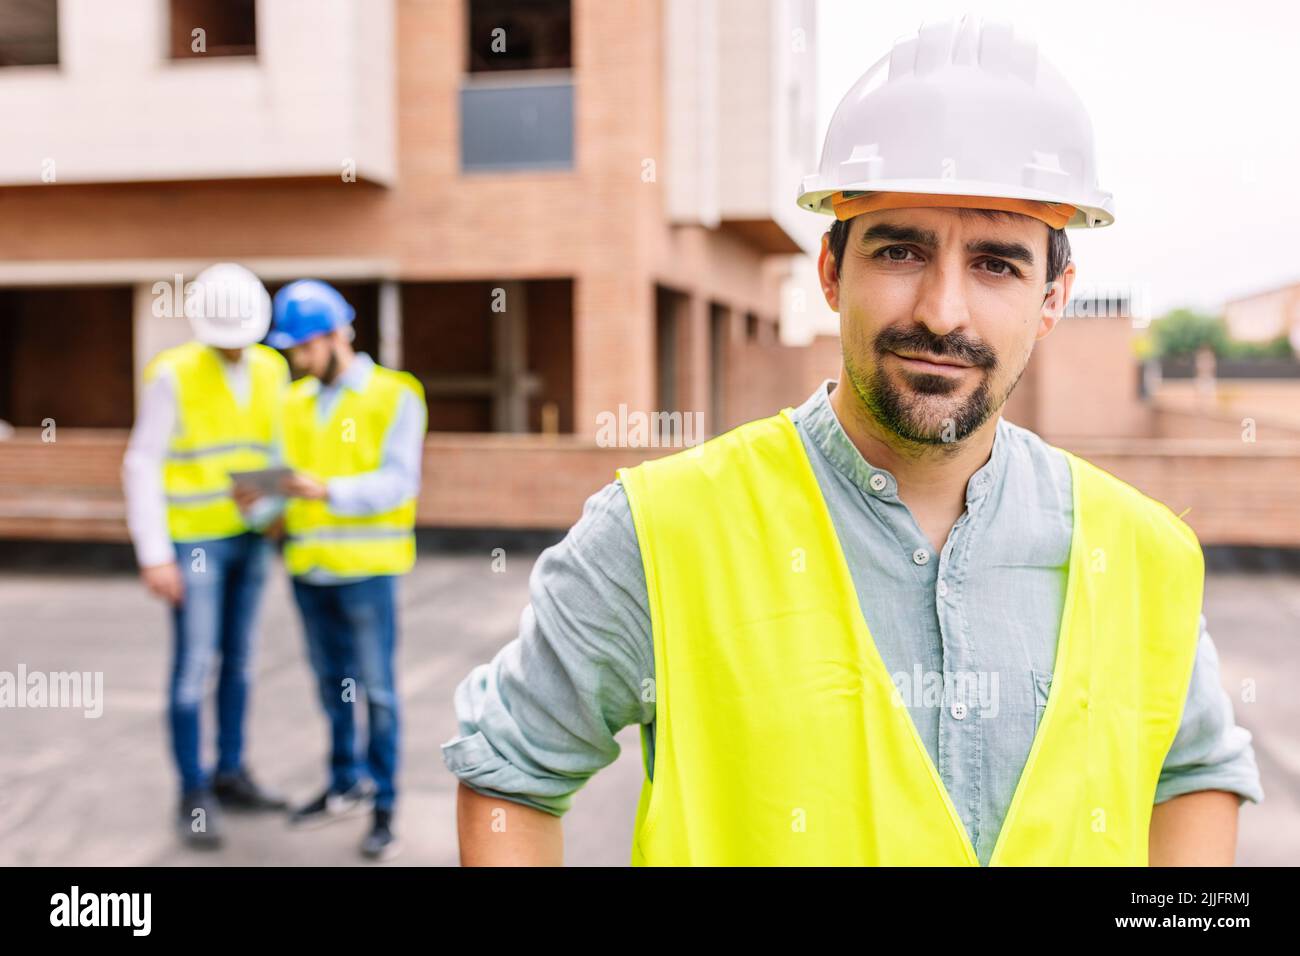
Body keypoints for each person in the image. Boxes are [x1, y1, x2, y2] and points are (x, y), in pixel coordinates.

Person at [442, 15, 1264, 865]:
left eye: (996, 263)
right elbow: (509, 775)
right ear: (832, 272)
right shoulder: (662, 531)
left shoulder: (1141, 551)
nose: (942, 311)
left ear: (1054, 296)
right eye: (900, 250)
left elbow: (1196, 770)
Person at [249, 279, 427, 861]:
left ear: (333, 336)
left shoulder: (395, 394)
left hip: (368, 571)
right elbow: (282, 476)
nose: (297, 361)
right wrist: (262, 506)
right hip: (308, 567)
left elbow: (398, 482)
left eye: (303, 349)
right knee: (333, 688)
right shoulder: (294, 401)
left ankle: (385, 808)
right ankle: (345, 783)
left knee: (377, 692)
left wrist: (323, 490)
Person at [122, 262, 291, 849]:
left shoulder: (274, 368)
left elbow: (271, 450)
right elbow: (142, 461)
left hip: (249, 539)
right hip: (194, 543)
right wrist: (154, 553)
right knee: (194, 666)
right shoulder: (172, 373)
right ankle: (193, 791)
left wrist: (272, 519)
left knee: (241, 662)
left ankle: (231, 772)